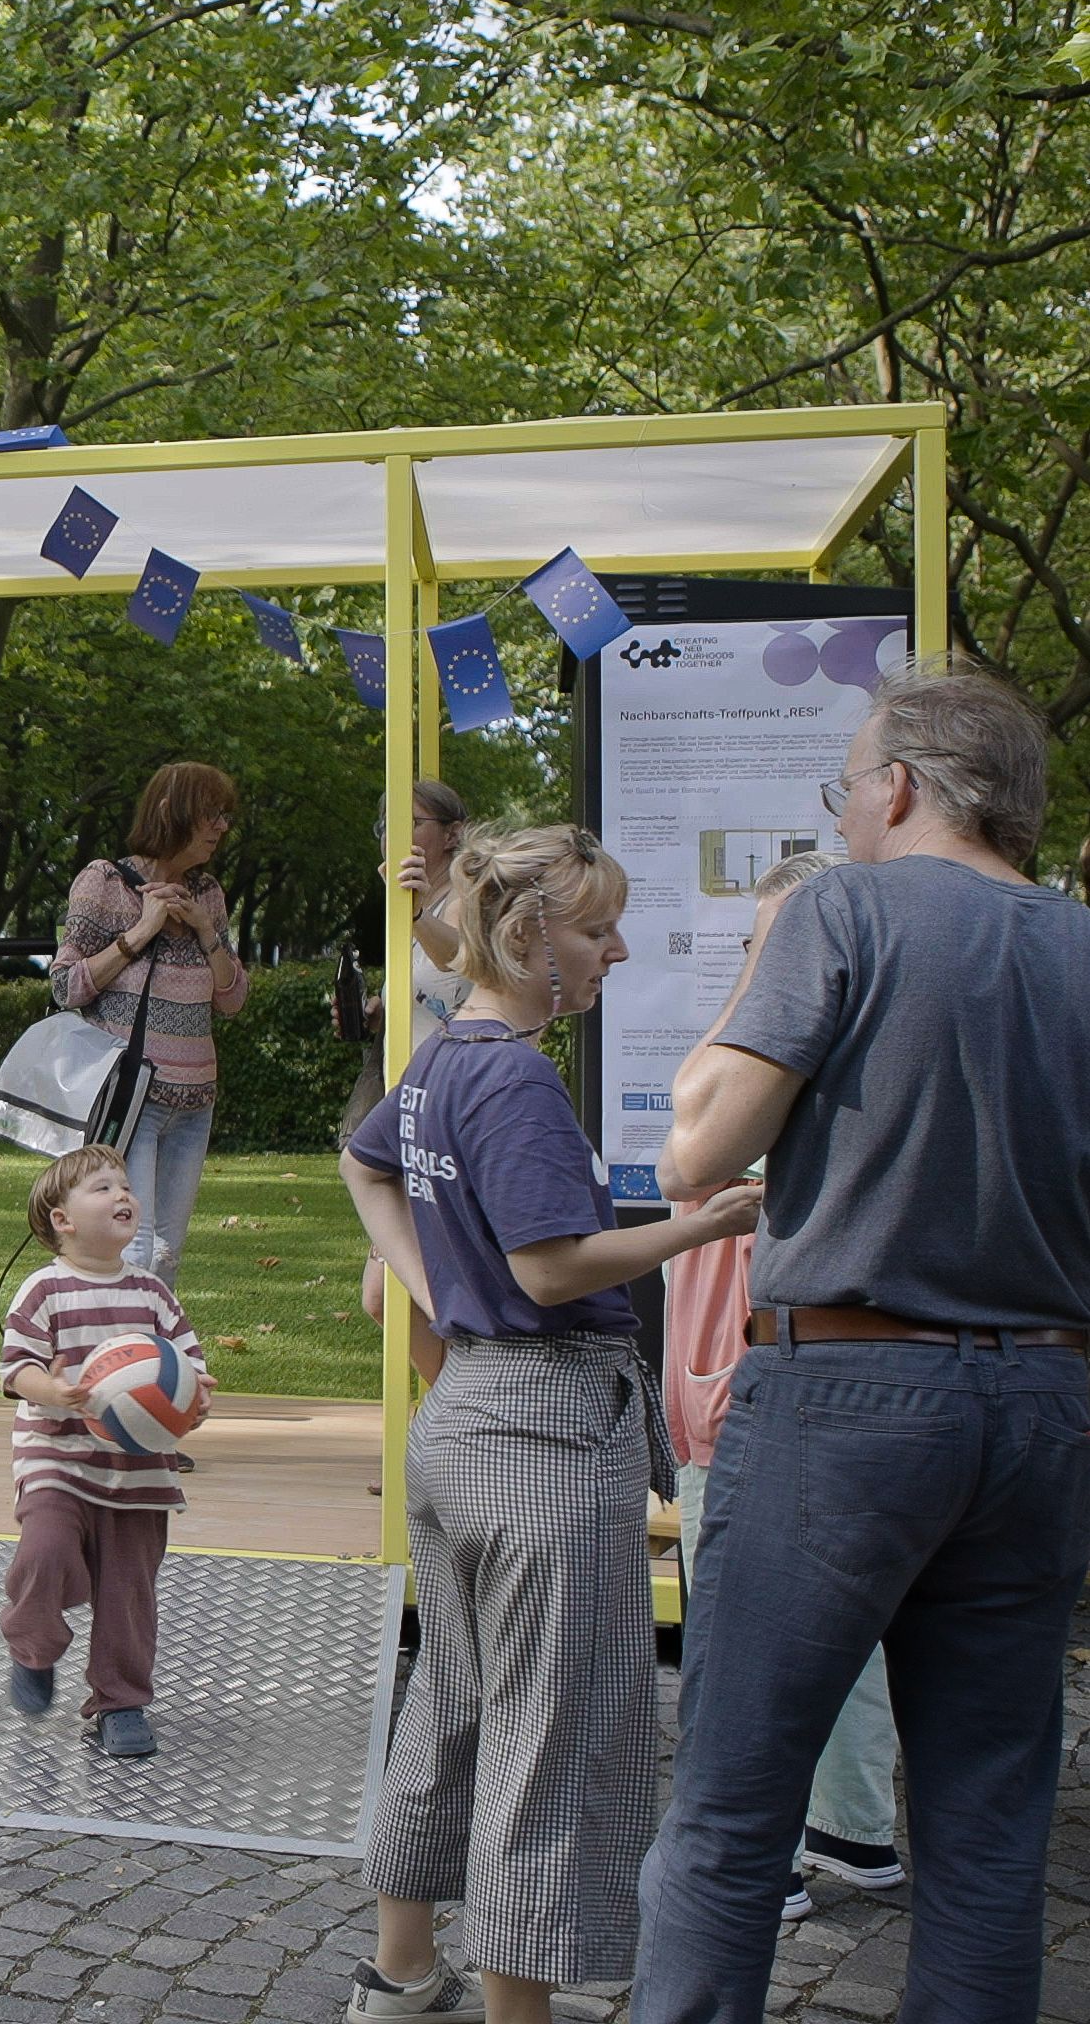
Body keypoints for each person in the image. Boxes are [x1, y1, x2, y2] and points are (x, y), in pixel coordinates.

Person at [634, 659, 1090, 2024]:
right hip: (1046, 1402)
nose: (841, 818)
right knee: (989, 1830)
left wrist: (759, 971)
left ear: (897, 788)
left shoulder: (842, 909)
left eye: (846, 791)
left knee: (731, 1811)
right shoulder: (1081, 943)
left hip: (845, 1396)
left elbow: (695, 1153)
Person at [338, 825, 763, 2024]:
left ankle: (402, 1970)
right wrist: (702, 1224)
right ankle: (518, 2012)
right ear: (529, 937)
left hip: (465, 1421)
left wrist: (431, 1288)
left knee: (453, 1702)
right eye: (596, 930)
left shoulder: (442, 1056)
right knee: (547, 1739)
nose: (615, 952)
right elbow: (549, 1268)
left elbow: (364, 1168)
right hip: (541, 1440)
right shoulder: (516, 1077)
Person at [657, 850, 900, 1933]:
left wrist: (757, 994)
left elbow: (684, 1159)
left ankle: (764, 1859)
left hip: (751, 1389)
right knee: (853, 1618)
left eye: (771, 942)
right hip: (824, 1380)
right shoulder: (881, 1041)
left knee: (739, 1631)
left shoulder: (773, 1048)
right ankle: (853, 1823)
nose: (760, 961)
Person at [0, 1145, 212, 1759]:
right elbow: (17, 1369)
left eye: (124, 1186)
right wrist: (54, 1391)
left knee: (128, 1594)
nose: (122, 1195)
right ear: (62, 1219)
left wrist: (194, 1398)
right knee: (44, 1552)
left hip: (139, 1473)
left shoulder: (153, 1294)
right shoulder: (45, 1291)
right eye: (102, 1188)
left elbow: (187, 1366)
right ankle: (34, 1644)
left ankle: (120, 1703)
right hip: (58, 1461)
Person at [48, 761, 252, 1283]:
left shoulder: (207, 893)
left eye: (224, 816)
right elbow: (65, 985)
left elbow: (232, 1000)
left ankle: (149, 1335)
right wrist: (141, 932)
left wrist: (206, 932)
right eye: (210, 814)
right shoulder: (104, 882)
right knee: (134, 1244)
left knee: (167, 1250)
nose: (221, 827)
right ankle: (119, 1333)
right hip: (132, 1099)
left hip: (195, 1101)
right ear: (169, 811)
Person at [341, 780, 472, 1390]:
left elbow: (464, 959)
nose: (394, 834)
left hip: (452, 1111)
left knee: (396, 1293)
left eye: (411, 821)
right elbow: (426, 998)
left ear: (450, 834)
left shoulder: (470, 894)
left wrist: (416, 913)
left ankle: (461, 1417)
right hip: (410, 1108)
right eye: (385, 824)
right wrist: (375, 1012)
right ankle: (457, 1416)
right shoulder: (407, 905)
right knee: (389, 1296)